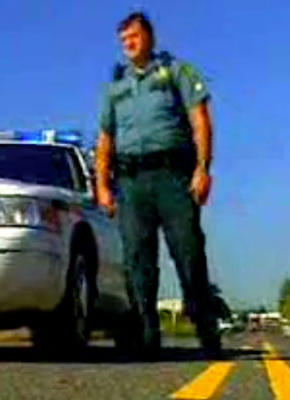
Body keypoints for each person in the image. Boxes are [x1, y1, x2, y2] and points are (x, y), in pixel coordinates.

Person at [95, 12, 221, 356]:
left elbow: (200, 120)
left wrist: (202, 169)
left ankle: (207, 329)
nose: (128, 44)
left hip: (173, 177)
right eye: (123, 40)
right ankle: (147, 336)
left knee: (189, 253)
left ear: (149, 37)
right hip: (131, 183)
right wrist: (102, 187)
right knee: (138, 260)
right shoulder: (115, 88)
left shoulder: (176, 72)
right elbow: (105, 141)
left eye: (134, 37)